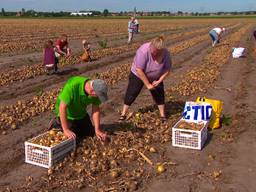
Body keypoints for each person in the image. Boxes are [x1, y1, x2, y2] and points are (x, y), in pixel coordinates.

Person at [120, 35, 172, 122]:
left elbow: (167, 70)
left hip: (155, 77)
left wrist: (159, 81)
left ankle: (163, 115)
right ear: (151, 45)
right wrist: (147, 84)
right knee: (132, 92)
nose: (154, 53)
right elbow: (139, 70)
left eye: (156, 52)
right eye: (153, 51)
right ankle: (123, 114)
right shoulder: (143, 51)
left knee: (159, 94)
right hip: (138, 74)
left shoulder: (165, 53)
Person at [52, 76, 108, 141]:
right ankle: (58, 125)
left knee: (89, 134)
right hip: (67, 114)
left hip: (80, 113)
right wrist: (66, 129)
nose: (98, 97)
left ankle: (74, 126)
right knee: (68, 138)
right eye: (98, 96)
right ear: (92, 91)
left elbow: (96, 110)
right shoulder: (72, 86)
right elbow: (62, 108)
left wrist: (97, 129)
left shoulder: (95, 94)